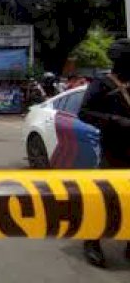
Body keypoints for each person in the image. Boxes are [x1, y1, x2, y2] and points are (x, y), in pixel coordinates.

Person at [78, 38, 130, 268]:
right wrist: (114, 121)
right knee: (106, 199)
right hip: (113, 151)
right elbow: (84, 112)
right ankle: (91, 241)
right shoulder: (102, 84)